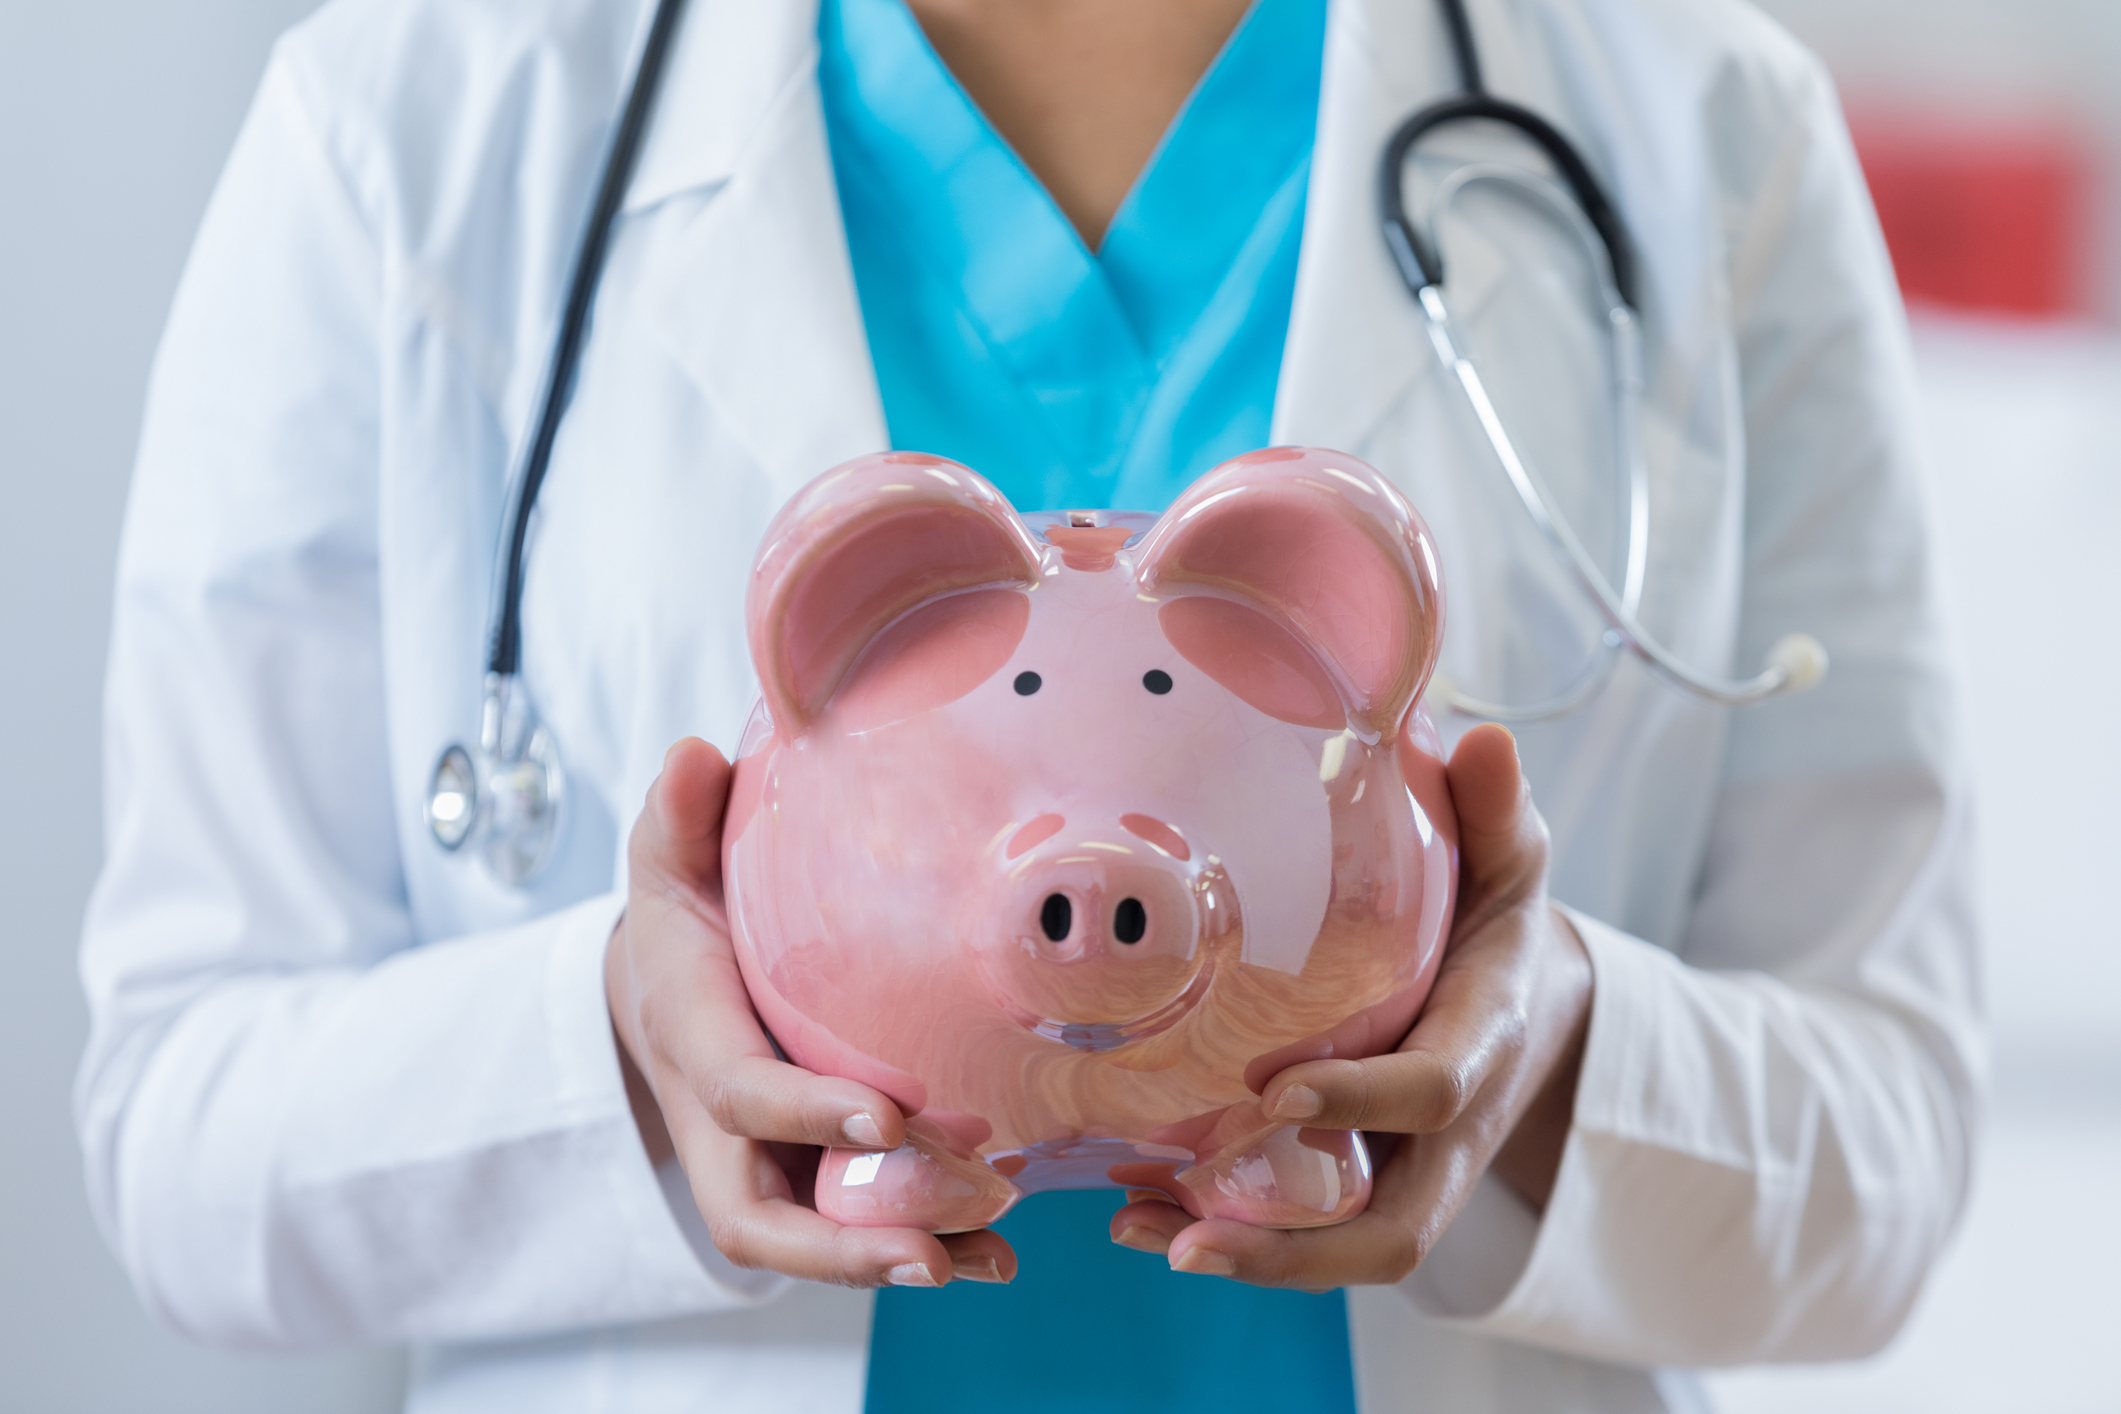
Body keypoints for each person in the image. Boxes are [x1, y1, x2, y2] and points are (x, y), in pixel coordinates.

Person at [76, 0, 1981, 1409]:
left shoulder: (1702, 125)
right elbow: (178, 1123)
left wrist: (1544, 1053)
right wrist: (621, 1064)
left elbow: (1889, 1142)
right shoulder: (420, 117)